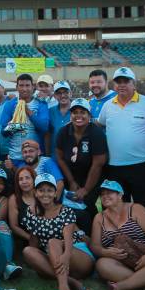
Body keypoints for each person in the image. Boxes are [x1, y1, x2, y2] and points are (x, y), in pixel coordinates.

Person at [21, 174, 95, 290]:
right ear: (35, 193)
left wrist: (66, 255)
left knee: (53, 242)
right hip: (56, 259)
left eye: (49, 190)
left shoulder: (65, 211)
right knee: (27, 251)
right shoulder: (31, 212)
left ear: (55, 193)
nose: (45, 194)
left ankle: (63, 287)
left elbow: (68, 240)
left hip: (77, 255)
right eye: (41, 190)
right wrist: (36, 260)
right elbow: (34, 241)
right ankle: (72, 282)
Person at [98, 67, 145, 212]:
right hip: (113, 167)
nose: (121, 85)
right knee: (116, 209)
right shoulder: (107, 106)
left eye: (126, 81)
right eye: (118, 81)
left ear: (134, 84)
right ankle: (117, 236)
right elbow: (99, 124)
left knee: (143, 207)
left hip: (141, 166)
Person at [55, 98, 108, 234]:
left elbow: (98, 163)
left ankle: (95, 236)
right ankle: (72, 236)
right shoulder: (63, 131)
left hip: (92, 176)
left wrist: (86, 189)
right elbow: (60, 158)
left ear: (89, 115)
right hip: (71, 175)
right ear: (70, 114)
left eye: (82, 112)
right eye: (75, 112)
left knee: (86, 205)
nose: (78, 116)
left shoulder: (96, 133)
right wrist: (71, 182)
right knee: (69, 207)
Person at [0, 73, 49, 165]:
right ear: (17, 87)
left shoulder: (41, 104)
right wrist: (16, 125)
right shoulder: (10, 104)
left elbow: (44, 127)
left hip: (36, 157)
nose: (24, 89)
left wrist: (28, 111)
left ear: (33, 87)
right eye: (21, 85)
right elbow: (3, 132)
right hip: (16, 157)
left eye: (27, 85)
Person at [7, 166, 37, 246]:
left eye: (27, 178)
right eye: (20, 179)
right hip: (25, 240)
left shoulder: (41, 195)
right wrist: (30, 238)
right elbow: (14, 226)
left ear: (34, 180)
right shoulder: (14, 199)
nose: (24, 181)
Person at [46, 80, 72, 156]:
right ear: (55, 96)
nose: (62, 95)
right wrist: (48, 155)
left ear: (70, 93)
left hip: (73, 156)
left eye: (65, 92)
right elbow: (48, 135)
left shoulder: (77, 111)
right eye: (59, 93)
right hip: (55, 156)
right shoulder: (50, 111)